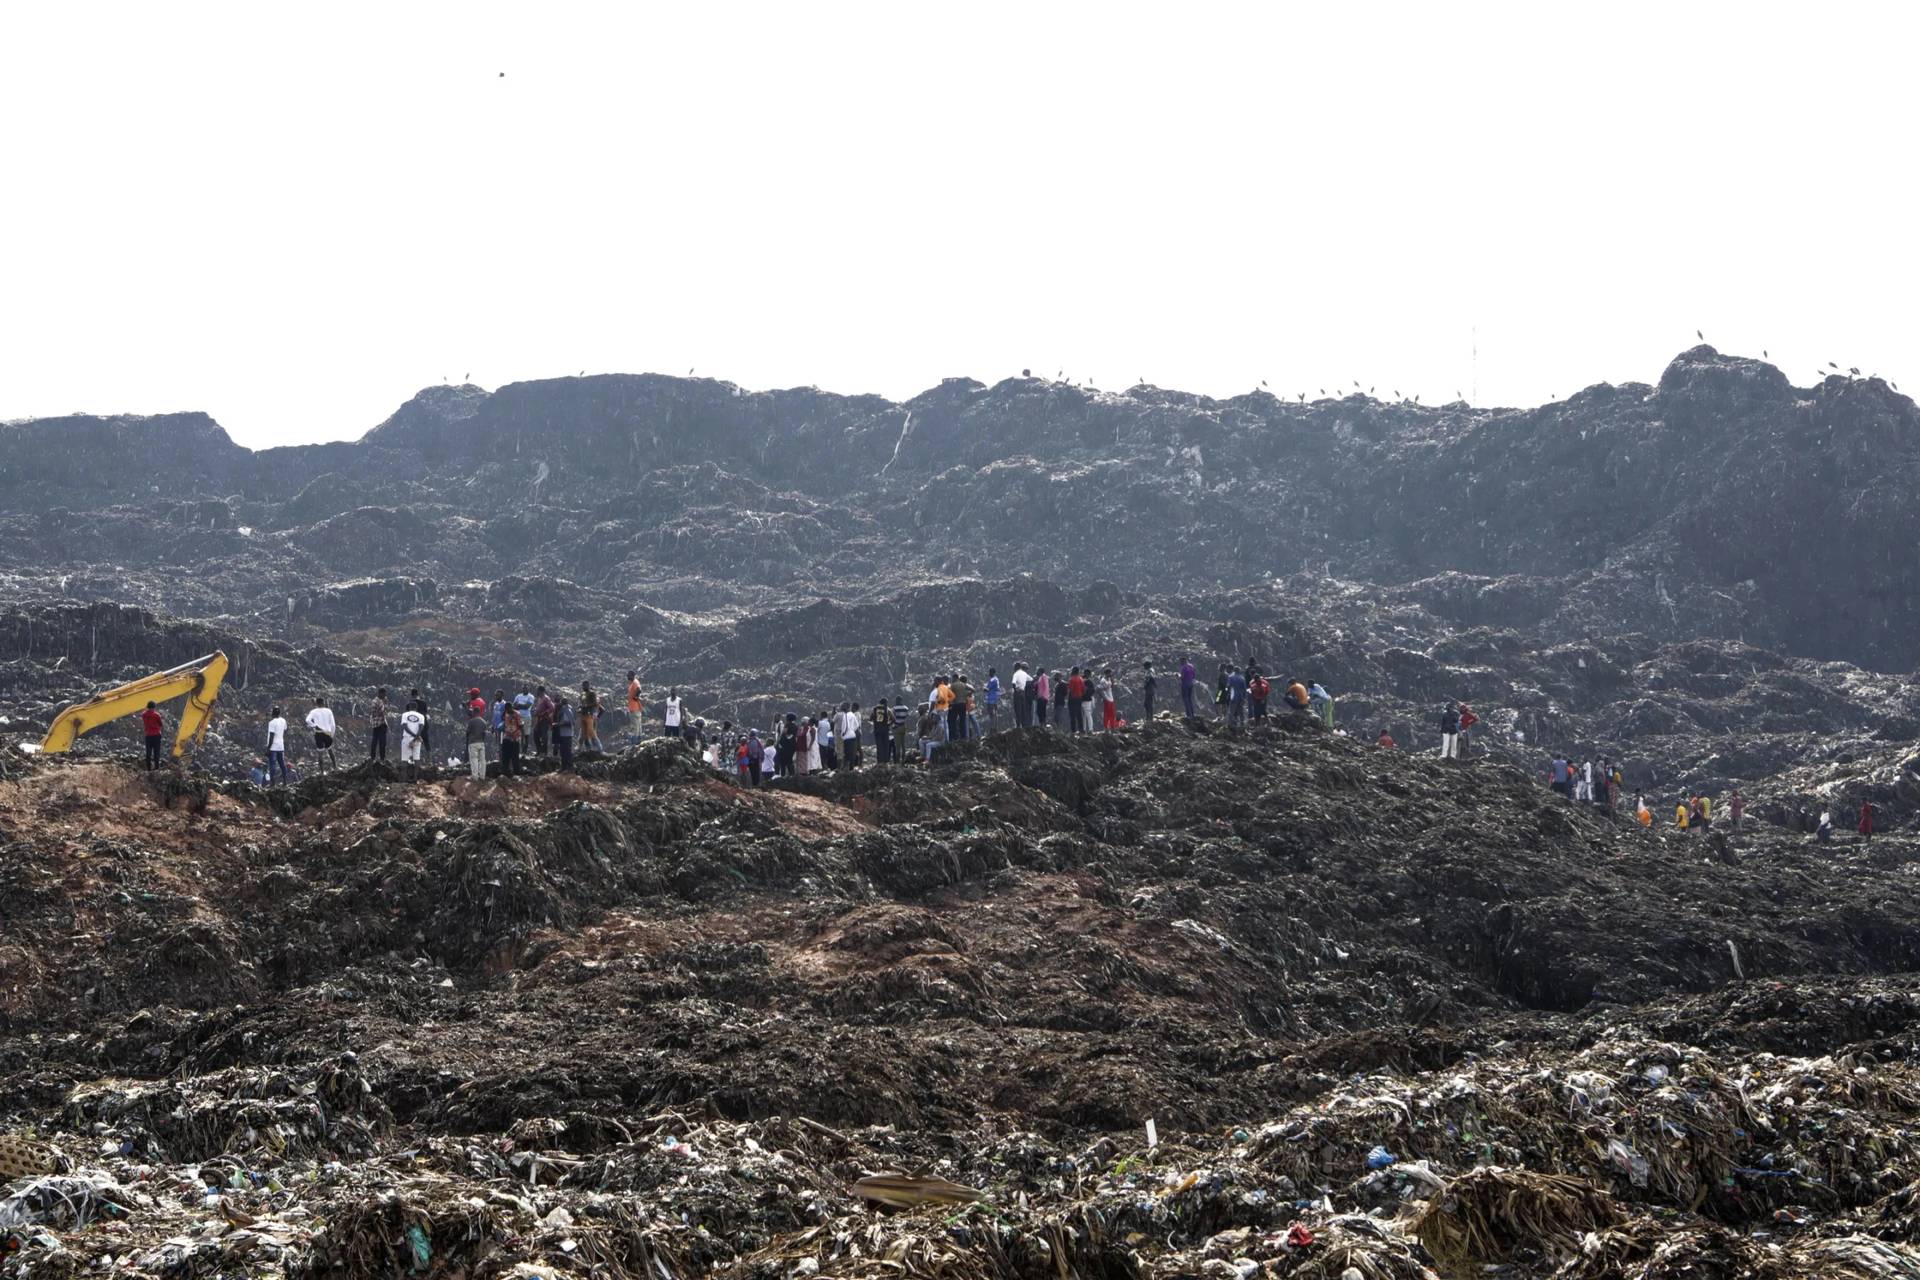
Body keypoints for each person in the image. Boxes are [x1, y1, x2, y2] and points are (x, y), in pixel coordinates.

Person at [305, 697, 339, 773]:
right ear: (323, 703)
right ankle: (335, 767)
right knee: (330, 750)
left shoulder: (313, 711)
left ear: (316, 703)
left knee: (320, 753)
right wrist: (332, 735)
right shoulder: (328, 711)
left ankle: (322, 772)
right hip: (328, 733)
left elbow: (307, 720)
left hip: (319, 733)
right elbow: (333, 725)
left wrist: (314, 725)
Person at [399, 701, 427, 772]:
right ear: (416, 708)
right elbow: (421, 727)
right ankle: (415, 779)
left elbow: (405, 727)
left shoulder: (405, 714)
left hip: (406, 738)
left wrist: (413, 735)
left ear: (409, 707)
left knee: (404, 759)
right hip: (417, 740)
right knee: (416, 759)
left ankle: (404, 779)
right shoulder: (421, 716)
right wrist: (416, 736)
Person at [265, 706, 290, 785]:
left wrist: (268, 748)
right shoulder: (283, 720)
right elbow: (285, 729)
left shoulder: (272, 723)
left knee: (272, 765)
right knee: (282, 764)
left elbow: (271, 736)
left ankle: (272, 783)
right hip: (281, 746)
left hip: (273, 747)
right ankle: (285, 781)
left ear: (272, 714)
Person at [139, 700, 164, 771]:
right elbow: (160, 724)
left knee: (148, 752)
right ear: (154, 707)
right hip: (156, 735)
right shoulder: (156, 715)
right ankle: (156, 768)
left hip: (148, 735)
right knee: (156, 752)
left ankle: (148, 768)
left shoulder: (144, 715)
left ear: (147, 707)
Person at [465, 704, 489, 780]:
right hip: (481, 742)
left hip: (473, 742)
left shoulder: (471, 721)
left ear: (474, 712)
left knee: (474, 759)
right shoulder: (484, 722)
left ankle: (475, 777)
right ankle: (482, 776)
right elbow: (484, 733)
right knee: (482, 760)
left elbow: (468, 732)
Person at [500, 699, 524, 776]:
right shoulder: (506, 713)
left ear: (511, 707)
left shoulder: (517, 714)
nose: (508, 710)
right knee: (505, 756)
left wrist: (520, 737)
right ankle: (505, 772)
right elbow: (503, 719)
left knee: (515, 756)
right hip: (506, 737)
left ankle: (516, 773)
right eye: (506, 709)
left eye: (509, 709)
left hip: (515, 738)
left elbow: (520, 725)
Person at [553, 697, 576, 771]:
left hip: (567, 734)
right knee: (563, 751)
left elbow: (569, 723)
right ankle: (563, 767)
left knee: (567, 752)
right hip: (564, 733)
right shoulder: (566, 710)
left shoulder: (567, 711)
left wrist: (558, 724)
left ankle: (569, 768)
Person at [530, 686, 553, 757]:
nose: (537, 692)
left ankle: (544, 752)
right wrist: (536, 710)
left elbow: (551, 708)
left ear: (541, 691)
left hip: (544, 720)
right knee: (535, 735)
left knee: (544, 736)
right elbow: (539, 707)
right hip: (538, 719)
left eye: (538, 690)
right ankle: (539, 750)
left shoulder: (546, 698)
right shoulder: (539, 698)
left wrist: (544, 713)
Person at [950, 675, 974, 741]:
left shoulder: (953, 685)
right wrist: (967, 694)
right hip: (963, 704)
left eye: (952, 678)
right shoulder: (963, 685)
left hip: (956, 704)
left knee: (953, 721)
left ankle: (954, 737)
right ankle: (963, 737)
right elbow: (972, 690)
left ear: (955, 678)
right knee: (962, 721)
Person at [580, 682, 602, 752]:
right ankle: (588, 749)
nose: (584, 687)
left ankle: (599, 749)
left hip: (590, 714)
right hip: (583, 714)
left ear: (588, 686)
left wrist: (587, 706)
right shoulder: (582, 694)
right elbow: (581, 702)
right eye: (583, 685)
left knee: (591, 732)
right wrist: (580, 707)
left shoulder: (592, 693)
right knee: (584, 733)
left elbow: (595, 703)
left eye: (586, 685)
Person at [369, 688, 390, 760]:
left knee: (382, 743)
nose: (385, 696)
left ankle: (382, 758)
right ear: (380, 693)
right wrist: (384, 705)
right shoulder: (375, 701)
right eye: (384, 694)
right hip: (377, 724)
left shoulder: (381, 701)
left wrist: (385, 705)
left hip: (382, 723)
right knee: (376, 742)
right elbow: (375, 713)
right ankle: (373, 758)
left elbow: (386, 712)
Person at [841, 703, 862, 768]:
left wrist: (843, 733)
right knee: (852, 752)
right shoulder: (852, 715)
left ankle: (846, 768)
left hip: (847, 736)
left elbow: (845, 726)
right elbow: (857, 726)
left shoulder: (846, 715)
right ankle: (852, 767)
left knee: (846, 753)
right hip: (853, 735)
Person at [1066, 668, 1087, 733]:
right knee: (1079, 714)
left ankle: (1073, 730)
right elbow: (1084, 690)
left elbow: (1070, 689)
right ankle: (1081, 729)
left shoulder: (1072, 679)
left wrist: (1068, 697)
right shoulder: (1081, 679)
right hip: (1079, 698)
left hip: (1072, 698)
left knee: (1072, 714)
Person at [892, 697, 911, 762]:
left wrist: (894, 725)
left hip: (897, 727)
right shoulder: (906, 708)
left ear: (897, 701)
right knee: (903, 745)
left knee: (897, 746)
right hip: (903, 726)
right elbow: (907, 718)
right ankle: (903, 759)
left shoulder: (894, 708)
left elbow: (893, 718)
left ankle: (897, 760)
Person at [626, 670, 644, 737]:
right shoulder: (633, 683)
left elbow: (639, 690)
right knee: (638, 725)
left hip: (634, 708)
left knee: (635, 725)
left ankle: (636, 742)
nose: (628, 677)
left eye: (628, 676)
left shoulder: (635, 682)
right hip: (634, 707)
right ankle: (639, 740)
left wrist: (635, 697)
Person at [984, 668, 1001, 733]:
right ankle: (995, 728)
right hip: (995, 698)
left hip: (991, 698)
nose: (989, 673)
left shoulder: (992, 680)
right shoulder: (996, 679)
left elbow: (987, 689)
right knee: (995, 713)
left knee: (991, 714)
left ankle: (992, 728)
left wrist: (984, 688)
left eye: (989, 672)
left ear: (992, 672)